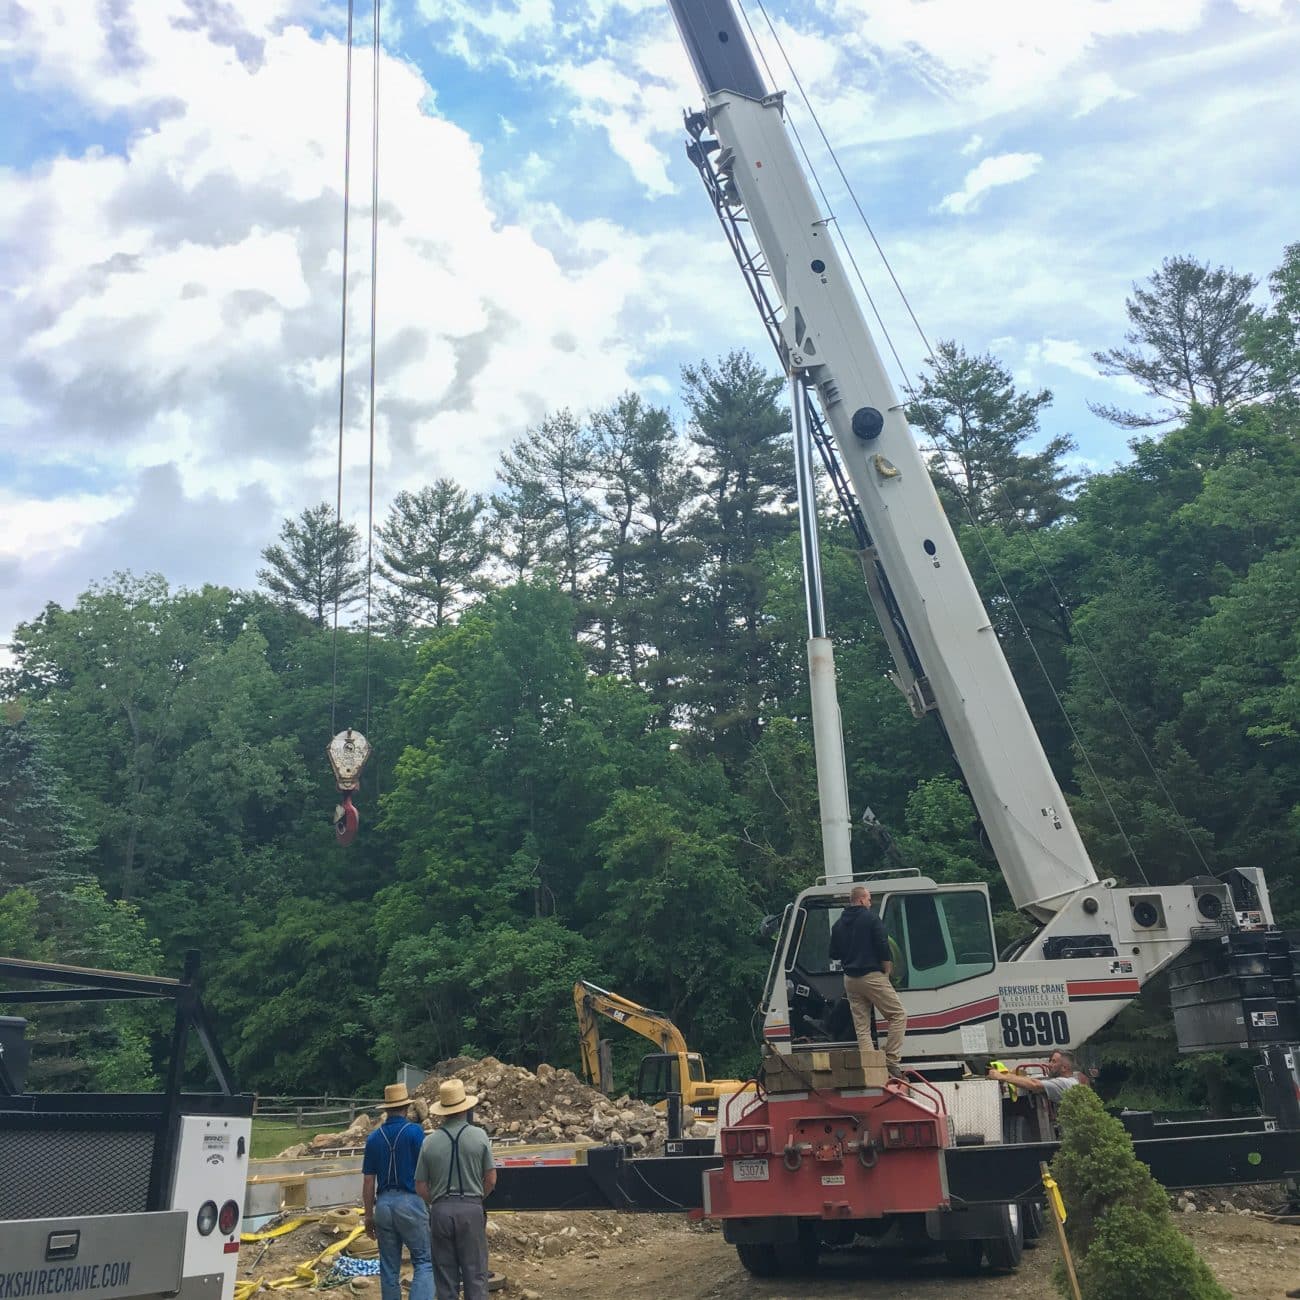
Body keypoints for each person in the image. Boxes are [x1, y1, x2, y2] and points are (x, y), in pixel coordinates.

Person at [416, 1078, 497, 1300]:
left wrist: (437, 1202)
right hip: (471, 1207)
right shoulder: (479, 1136)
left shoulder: (429, 1142)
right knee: (475, 1275)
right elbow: (491, 1179)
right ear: (465, 1108)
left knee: (445, 1278)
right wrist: (477, 1199)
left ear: (443, 1111)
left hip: (440, 1210)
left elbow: (420, 1186)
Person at [362, 1083, 433, 1300]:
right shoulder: (415, 1132)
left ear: (386, 1109)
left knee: (388, 1268)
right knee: (424, 1262)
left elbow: (368, 1182)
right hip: (411, 1201)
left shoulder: (374, 1139)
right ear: (406, 1107)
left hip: (383, 1204)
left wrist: (368, 1216)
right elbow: (427, 1170)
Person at [829, 884, 907, 1078]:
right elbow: (882, 944)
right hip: (871, 976)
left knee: (862, 1027)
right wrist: (887, 968)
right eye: (869, 899)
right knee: (898, 1015)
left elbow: (833, 953)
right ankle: (891, 1061)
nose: (870, 903)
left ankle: (871, 1068)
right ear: (862, 900)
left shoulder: (837, 925)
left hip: (850, 980)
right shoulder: (871, 919)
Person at [988, 1049, 1084, 1104]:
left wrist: (1002, 1076)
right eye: (1050, 1061)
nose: (1049, 1064)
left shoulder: (1065, 1083)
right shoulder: (1071, 1082)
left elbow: (1035, 1084)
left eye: (1054, 1062)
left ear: (1064, 1068)